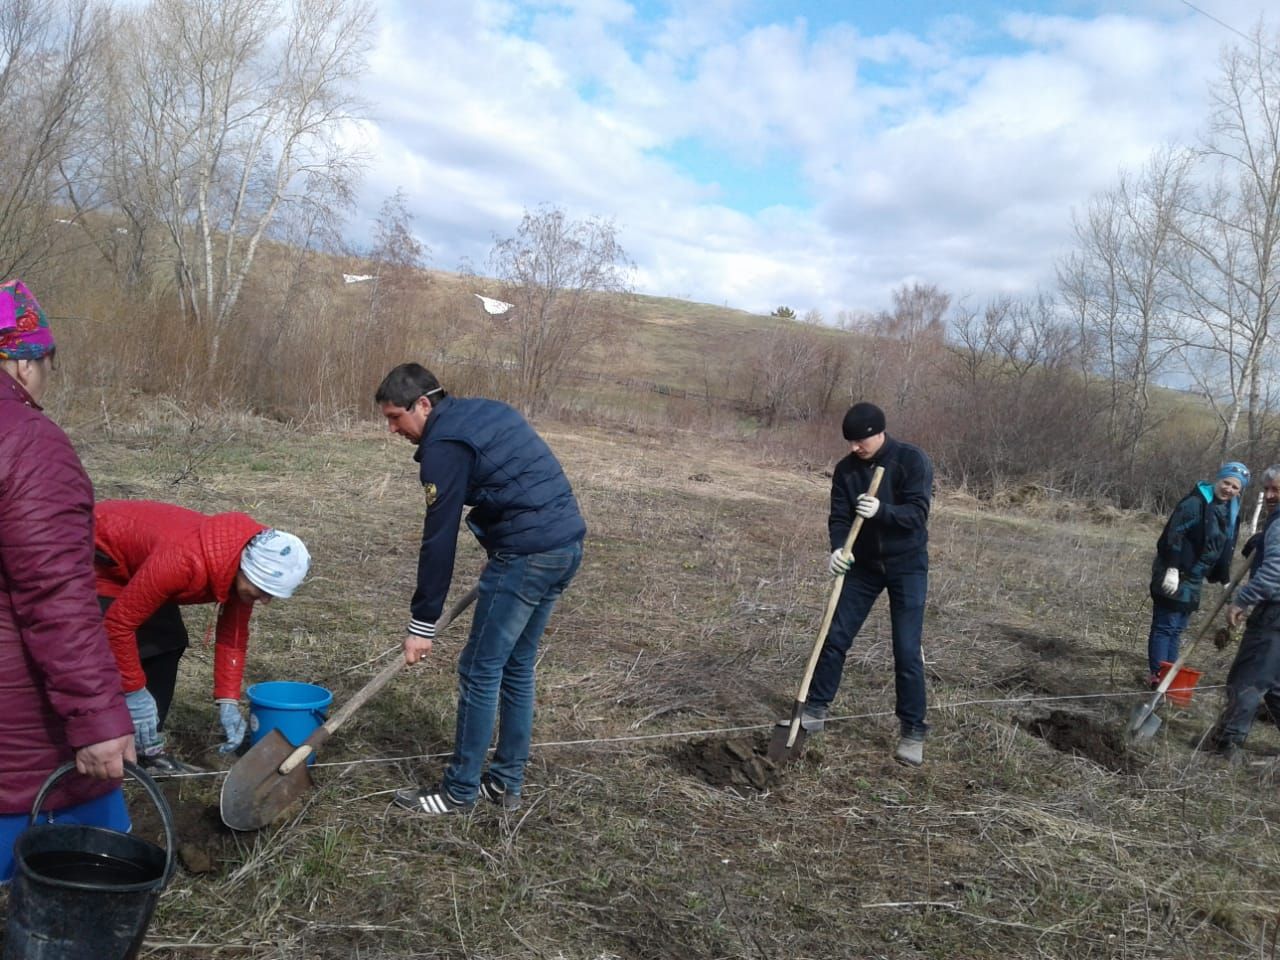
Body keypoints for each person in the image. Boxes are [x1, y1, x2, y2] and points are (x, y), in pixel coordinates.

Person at [376, 363, 585, 814]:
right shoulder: (486, 411)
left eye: (396, 417)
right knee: (516, 665)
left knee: (479, 668)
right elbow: (518, 477)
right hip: (565, 545)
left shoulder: (443, 445)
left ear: (424, 404)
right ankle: (505, 782)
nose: (393, 429)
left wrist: (422, 624)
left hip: (528, 556)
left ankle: (459, 791)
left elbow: (439, 537)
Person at [0, 279, 135, 882]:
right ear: (28, 360)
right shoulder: (27, 447)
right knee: (78, 874)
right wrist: (100, 721)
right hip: (21, 736)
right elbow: (56, 597)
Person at [93, 500, 310, 771]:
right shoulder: (184, 562)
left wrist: (228, 699)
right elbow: (117, 626)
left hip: (142, 564)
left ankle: (146, 749)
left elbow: (233, 635)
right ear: (245, 568)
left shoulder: (238, 564)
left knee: (168, 643)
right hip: (97, 555)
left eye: (271, 595)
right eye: (262, 590)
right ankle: (100, 745)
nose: (264, 600)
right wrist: (135, 691)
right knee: (103, 652)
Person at [805, 402, 933, 767]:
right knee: (835, 635)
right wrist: (836, 550)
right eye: (849, 441)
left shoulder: (911, 460)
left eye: (860, 441)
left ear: (879, 432)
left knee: (907, 650)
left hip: (907, 565)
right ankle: (814, 708)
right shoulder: (846, 470)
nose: (853, 448)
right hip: (862, 566)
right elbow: (839, 516)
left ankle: (912, 730)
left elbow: (918, 514)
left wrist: (883, 511)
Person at [1145, 462, 1249, 688]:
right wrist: (1172, 568)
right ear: (1218, 479)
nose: (1229, 489)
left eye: (1235, 487)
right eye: (1226, 482)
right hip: (1174, 573)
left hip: (1195, 577)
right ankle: (1157, 676)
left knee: (1178, 627)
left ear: (1240, 491)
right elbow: (1173, 535)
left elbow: (1223, 548)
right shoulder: (1196, 503)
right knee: (1166, 626)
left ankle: (1168, 676)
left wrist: (1224, 579)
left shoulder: (1231, 513)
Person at [1202, 464, 1280, 759]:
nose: (1270, 496)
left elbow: (1275, 570)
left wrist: (1243, 600)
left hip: (1274, 614)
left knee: (1248, 678)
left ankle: (1226, 743)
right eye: (1267, 489)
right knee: (1274, 685)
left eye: (1276, 490)